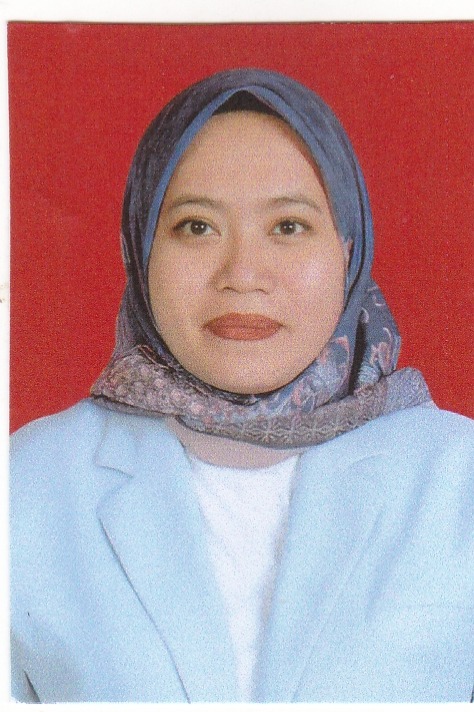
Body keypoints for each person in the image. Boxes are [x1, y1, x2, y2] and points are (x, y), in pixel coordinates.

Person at [10, 68, 474, 703]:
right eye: (197, 227)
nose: (243, 274)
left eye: (288, 227)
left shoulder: (458, 480)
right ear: (141, 249)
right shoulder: (28, 485)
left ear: (348, 249)